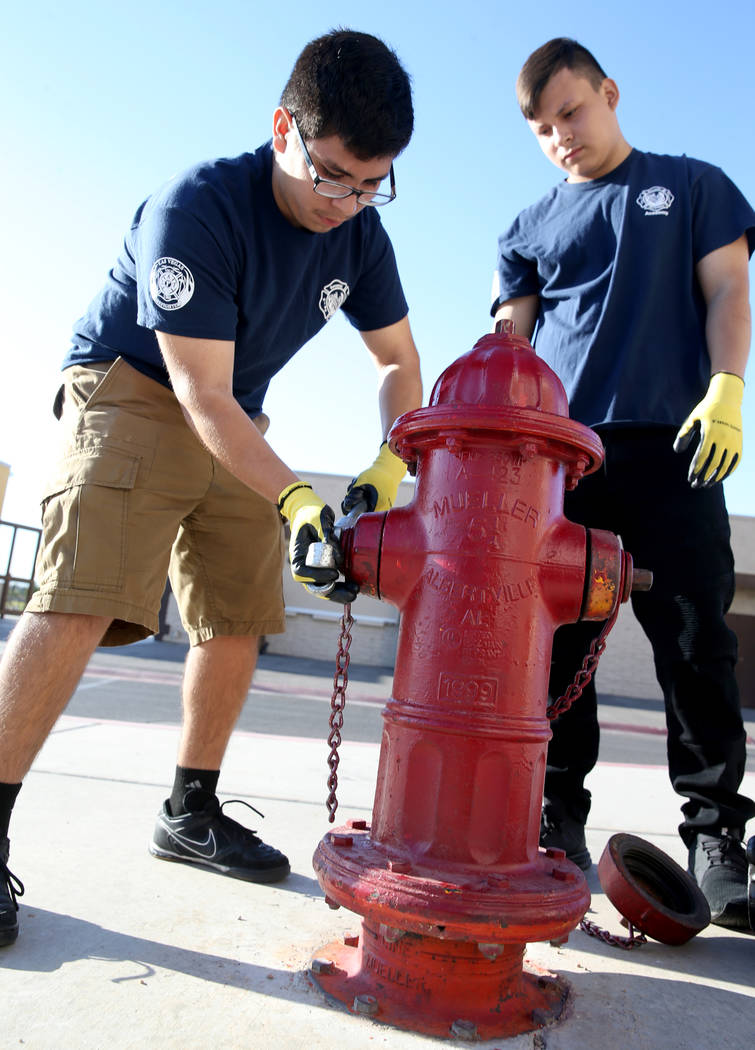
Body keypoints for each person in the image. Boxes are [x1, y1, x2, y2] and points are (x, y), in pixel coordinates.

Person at [0, 28, 422, 947]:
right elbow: (195, 392)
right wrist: (300, 502)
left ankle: (189, 811)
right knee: (81, 599)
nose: (348, 203)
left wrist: (389, 460)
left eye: (371, 182)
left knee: (238, 613)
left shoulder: (360, 233)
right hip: (134, 387)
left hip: (238, 418)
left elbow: (397, 360)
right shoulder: (198, 206)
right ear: (283, 127)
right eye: (334, 175)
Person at [491, 37, 754, 930]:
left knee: (694, 643)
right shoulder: (525, 230)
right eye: (540, 128)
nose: (560, 136)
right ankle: (555, 816)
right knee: (558, 647)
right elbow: (511, 346)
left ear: (607, 93)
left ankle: (716, 834)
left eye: (571, 112)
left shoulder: (690, 184)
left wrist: (726, 388)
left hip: (677, 448)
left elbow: (726, 289)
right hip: (565, 465)